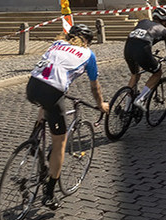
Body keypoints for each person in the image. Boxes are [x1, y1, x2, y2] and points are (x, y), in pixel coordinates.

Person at [26, 24, 109, 208]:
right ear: (86, 41)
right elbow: (95, 87)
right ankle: (49, 193)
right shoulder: (88, 55)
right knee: (60, 144)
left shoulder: (56, 43)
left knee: (46, 104)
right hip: (52, 90)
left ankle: (34, 138)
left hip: (32, 85)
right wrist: (100, 105)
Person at [123, 7, 166, 106]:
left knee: (135, 74)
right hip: (143, 50)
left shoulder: (143, 21)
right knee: (158, 73)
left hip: (128, 48)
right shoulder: (165, 31)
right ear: (165, 21)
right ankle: (141, 99)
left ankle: (127, 106)